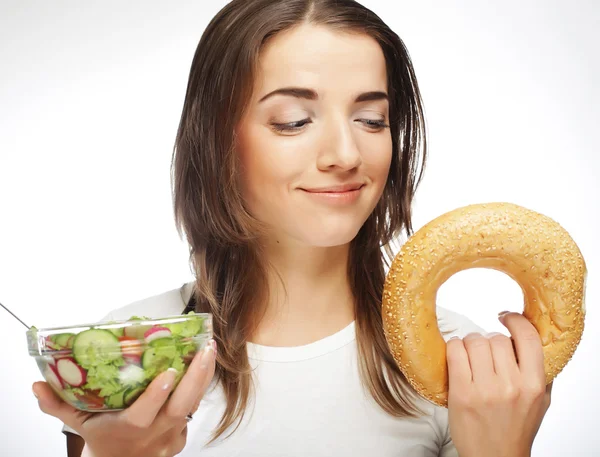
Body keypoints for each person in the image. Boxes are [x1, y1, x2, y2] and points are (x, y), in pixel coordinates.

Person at [32, 1, 553, 456]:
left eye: (372, 120)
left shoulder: (459, 359)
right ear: (216, 141)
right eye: (293, 121)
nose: (347, 155)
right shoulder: (127, 349)